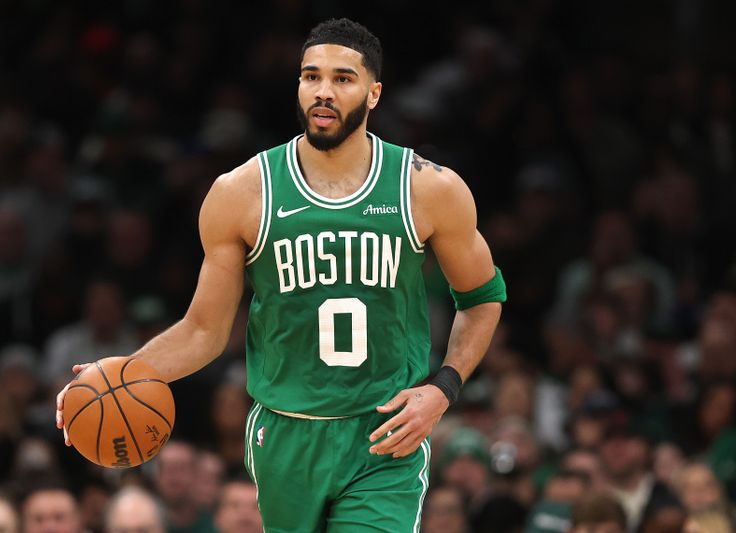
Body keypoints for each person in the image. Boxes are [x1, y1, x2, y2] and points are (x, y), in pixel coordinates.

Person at [56, 17, 505, 532]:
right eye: (311, 76)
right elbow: (204, 331)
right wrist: (115, 378)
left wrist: (443, 388)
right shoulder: (241, 193)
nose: (323, 91)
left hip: (386, 436)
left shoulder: (428, 188)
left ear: (374, 93)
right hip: (286, 434)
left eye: (342, 78)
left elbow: (483, 295)